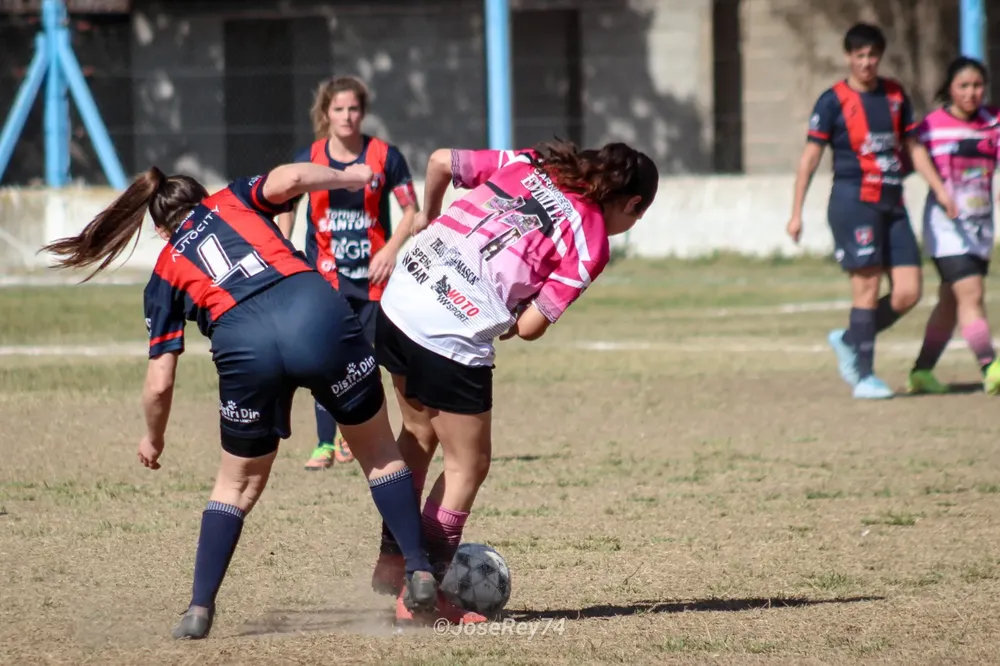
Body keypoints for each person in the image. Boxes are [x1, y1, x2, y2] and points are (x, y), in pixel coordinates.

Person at [40, 161, 441, 638]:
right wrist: (349, 175)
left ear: (158, 227)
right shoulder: (229, 199)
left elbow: (160, 382)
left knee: (236, 486)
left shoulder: (166, 270)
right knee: (377, 454)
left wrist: (153, 437)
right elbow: (291, 181)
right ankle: (417, 569)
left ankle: (198, 610)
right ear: (200, 196)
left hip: (244, 346)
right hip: (313, 312)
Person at [366, 140, 658, 622]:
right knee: (469, 465)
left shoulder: (533, 160)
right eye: (636, 217)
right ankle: (420, 596)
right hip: (450, 326)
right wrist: (514, 309)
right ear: (630, 203)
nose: (630, 226)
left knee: (417, 433)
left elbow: (439, 160)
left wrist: (428, 218)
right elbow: (529, 328)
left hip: (402, 295)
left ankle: (393, 557)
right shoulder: (592, 241)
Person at [786, 22, 958, 399]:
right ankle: (864, 375)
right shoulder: (832, 101)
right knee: (865, 288)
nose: (866, 62)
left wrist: (941, 191)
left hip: (892, 204)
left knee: (908, 293)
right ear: (849, 57)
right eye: (859, 55)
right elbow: (810, 158)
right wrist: (796, 211)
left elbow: (913, 147)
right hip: (853, 203)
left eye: (872, 55)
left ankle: (850, 338)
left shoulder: (895, 95)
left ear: (879, 56)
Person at [276, 76, 419, 471]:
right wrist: (285, 244)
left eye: (353, 108)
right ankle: (324, 443)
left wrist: (391, 250)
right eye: (338, 109)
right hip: (324, 278)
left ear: (363, 111)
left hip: (373, 280)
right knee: (324, 358)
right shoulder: (311, 156)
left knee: (369, 362)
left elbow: (412, 210)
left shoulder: (384, 156)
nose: (347, 116)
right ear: (326, 113)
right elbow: (286, 199)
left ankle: (354, 439)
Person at [908, 57, 1000, 394]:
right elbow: (914, 150)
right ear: (950, 88)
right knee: (971, 293)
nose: (971, 93)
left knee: (951, 302)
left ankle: (921, 372)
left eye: (977, 86)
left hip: (980, 227)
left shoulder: (993, 121)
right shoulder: (933, 125)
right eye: (964, 86)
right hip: (945, 227)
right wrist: (940, 190)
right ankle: (992, 368)